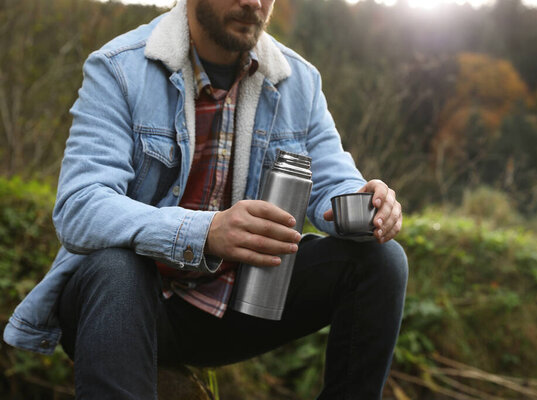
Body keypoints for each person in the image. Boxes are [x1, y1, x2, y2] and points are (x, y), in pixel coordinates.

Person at [3, 0, 408, 398]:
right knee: (116, 265)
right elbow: (80, 205)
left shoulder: (299, 80)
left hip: (237, 306)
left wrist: (368, 205)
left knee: (381, 259)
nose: (253, 2)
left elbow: (332, 182)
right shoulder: (118, 68)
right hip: (126, 307)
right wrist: (205, 231)